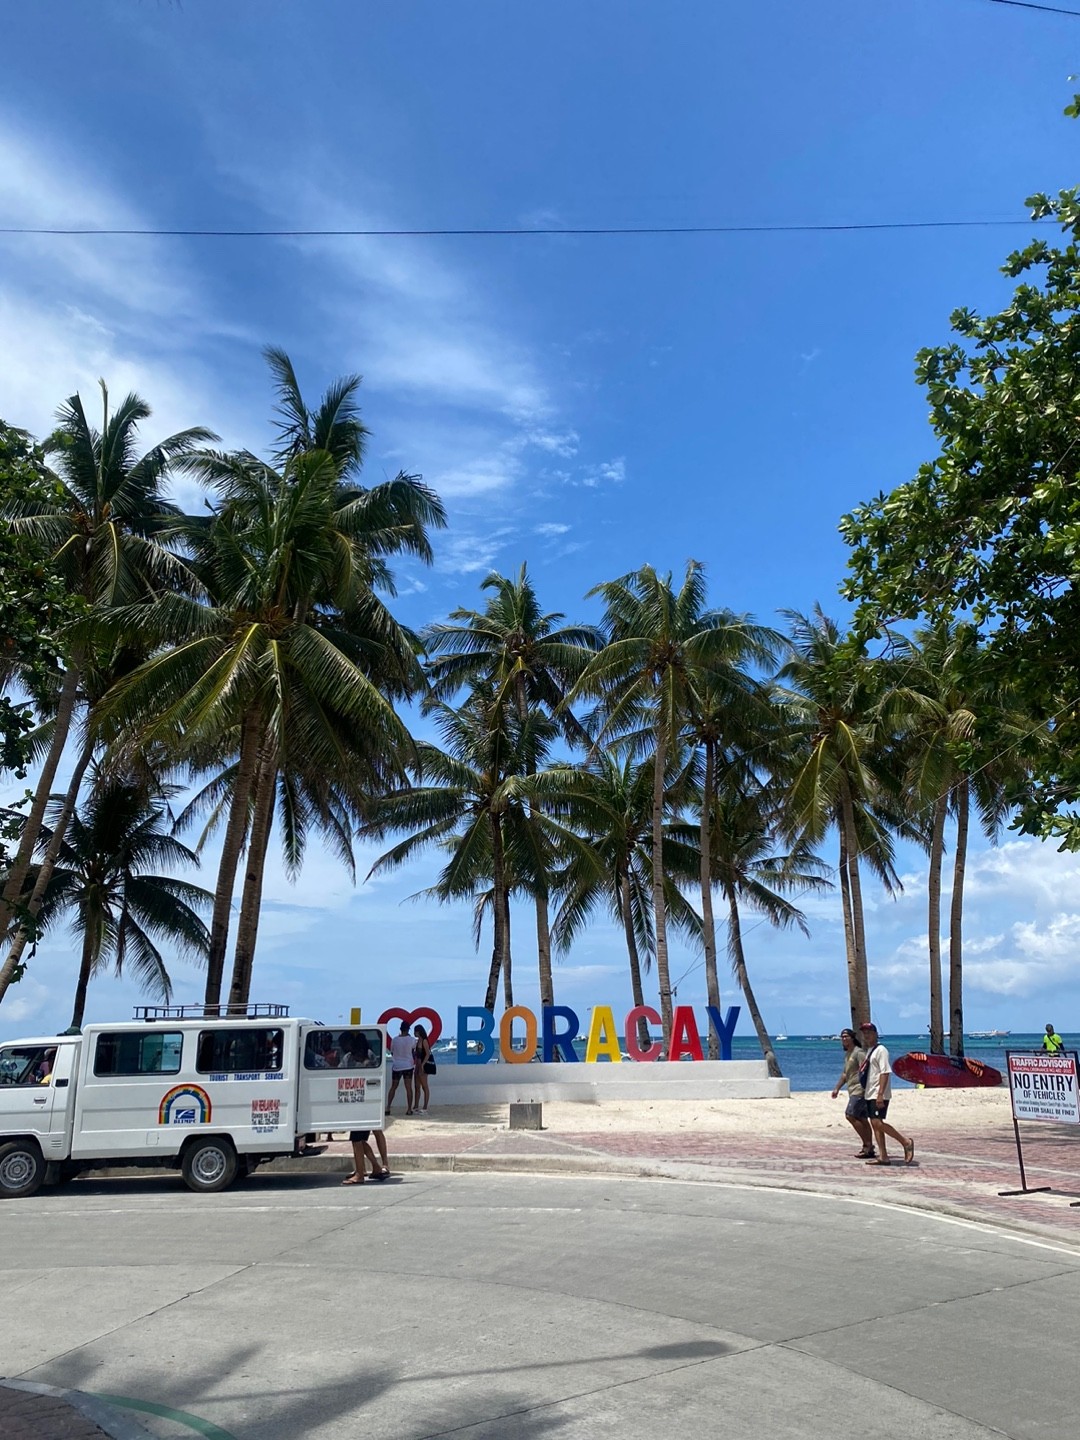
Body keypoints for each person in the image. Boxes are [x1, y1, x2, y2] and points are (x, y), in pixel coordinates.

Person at [859, 1021, 915, 1166]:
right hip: (870, 1092)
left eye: (869, 1032)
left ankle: (905, 1142)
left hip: (878, 1093)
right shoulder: (870, 1051)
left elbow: (885, 1072)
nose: (867, 1036)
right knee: (875, 1124)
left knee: (878, 1122)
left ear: (876, 1034)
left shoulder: (881, 1050)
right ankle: (883, 1156)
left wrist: (880, 1094)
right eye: (864, 1033)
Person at [831, 1028, 874, 1158]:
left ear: (852, 1038)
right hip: (852, 1089)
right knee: (862, 1118)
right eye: (842, 1037)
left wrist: (867, 1087)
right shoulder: (848, 1054)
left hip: (859, 1090)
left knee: (850, 1115)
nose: (844, 1039)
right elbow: (845, 1074)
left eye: (846, 1036)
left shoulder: (858, 1052)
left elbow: (866, 1070)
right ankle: (868, 1148)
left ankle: (867, 1144)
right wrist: (837, 1088)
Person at [387, 1022, 415, 1114]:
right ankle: (409, 1109)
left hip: (397, 1066)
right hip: (408, 1065)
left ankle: (388, 1107)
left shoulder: (395, 1040)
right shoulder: (412, 1039)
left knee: (393, 1087)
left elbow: (392, 1052)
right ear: (408, 1030)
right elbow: (413, 1050)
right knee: (408, 1088)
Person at [412, 1024, 434, 1113]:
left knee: (425, 1086)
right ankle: (416, 1105)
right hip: (417, 1065)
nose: (414, 1033)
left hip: (422, 1066)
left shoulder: (424, 1041)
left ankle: (425, 1106)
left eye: (416, 1031)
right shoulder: (418, 1041)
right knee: (417, 1086)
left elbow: (427, 1053)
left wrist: (423, 1064)